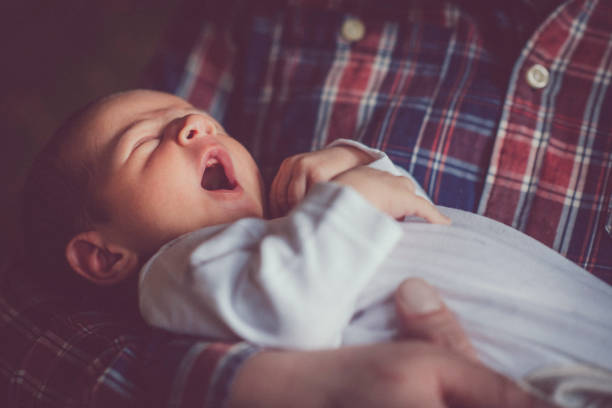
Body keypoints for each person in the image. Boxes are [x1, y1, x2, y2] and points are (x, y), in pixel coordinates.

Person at [2, 0, 609, 406]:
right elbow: (289, 311)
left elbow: (415, 215)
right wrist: (352, 200)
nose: (193, 124)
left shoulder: (293, 231)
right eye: (144, 140)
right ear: (106, 258)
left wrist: (363, 165)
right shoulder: (180, 268)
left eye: (193, 117)